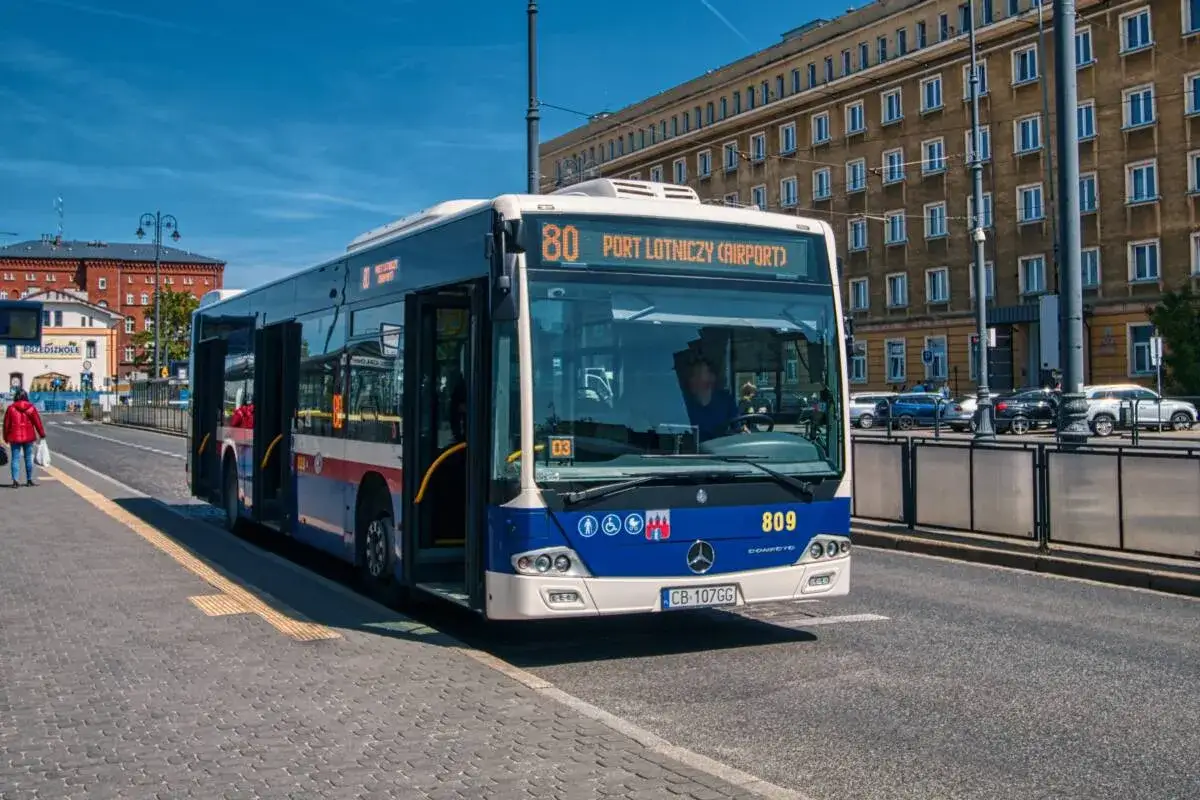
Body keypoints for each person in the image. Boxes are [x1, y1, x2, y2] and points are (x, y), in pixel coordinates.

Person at [682, 358, 740, 441]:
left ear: (712, 378)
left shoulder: (726, 400)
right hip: (691, 452)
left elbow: (737, 428)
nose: (695, 379)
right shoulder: (682, 403)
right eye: (693, 375)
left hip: (722, 450)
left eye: (701, 374)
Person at [3, 389, 47, 487]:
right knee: (28, 458)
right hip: (28, 437)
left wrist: (5, 437)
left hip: (14, 437)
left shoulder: (11, 408)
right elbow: (37, 422)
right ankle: (29, 480)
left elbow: (6, 424)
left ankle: (15, 481)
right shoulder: (31, 408)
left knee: (15, 459)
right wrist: (42, 434)